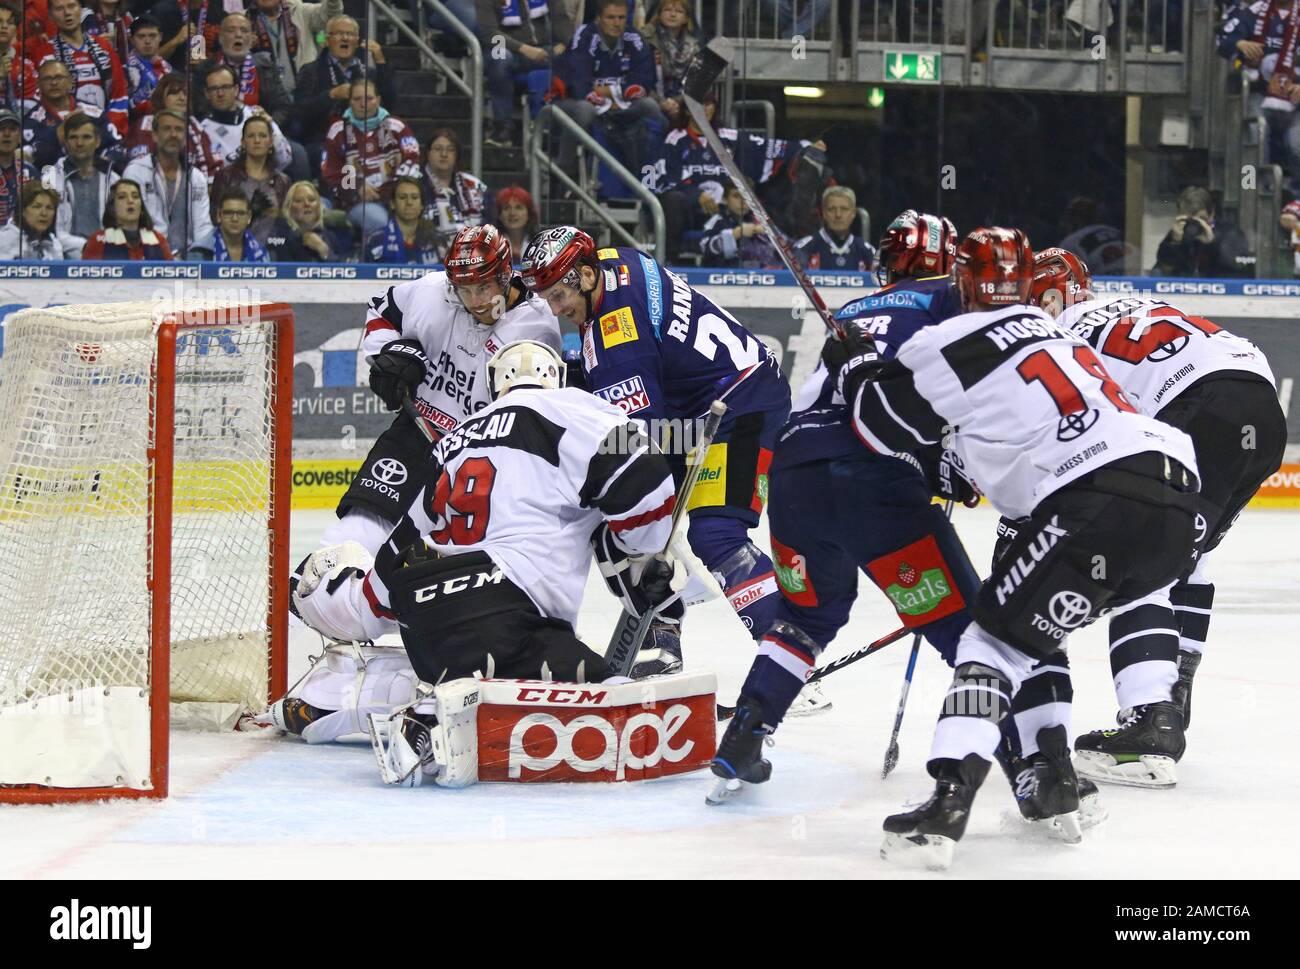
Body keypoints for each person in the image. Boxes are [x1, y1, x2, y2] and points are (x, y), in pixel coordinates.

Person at [812, 227, 1199, 869]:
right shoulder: (1061, 338)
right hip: (1174, 500)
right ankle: (1053, 778)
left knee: (988, 641)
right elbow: (1008, 434)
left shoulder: (948, 339)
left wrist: (851, 361)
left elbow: (879, 423)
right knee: (1031, 632)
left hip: (1096, 495)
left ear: (962, 283)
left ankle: (946, 803)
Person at [283, 339, 681, 789]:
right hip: (511, 613)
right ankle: (431, 721)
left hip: (425, 612)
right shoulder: (578, 409)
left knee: (458, 665)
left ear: (494, 384)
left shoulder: (452, 441)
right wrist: (641, 551)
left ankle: (360, 696)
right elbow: (647, 486)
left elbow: (390, 567)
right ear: (557, 376)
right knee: (616, 705)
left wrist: (335, 598)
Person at [1024, 247, 1286, 787]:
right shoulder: (1133, 303)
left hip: (1200, 408)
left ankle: (1151, 720)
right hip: (1260, 409)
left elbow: (1079, 435)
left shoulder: (1059, 337)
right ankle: (1172, 697)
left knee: (1138, 558)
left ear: (1051, 297)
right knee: (1187, 554)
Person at [520, 227, 812, 695]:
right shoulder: (618, 261)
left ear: (587, 276)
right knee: (621, 512)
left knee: (710, 532)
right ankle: (664, 637)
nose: (555, 310)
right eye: (547, 297)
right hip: (709, 404)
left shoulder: (615, 339)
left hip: (738, 408)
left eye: (559, 295)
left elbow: (644, 444)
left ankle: (790, 657)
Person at [643, 92, 822, 261]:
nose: (705, 109)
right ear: (688, 110)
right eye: (699, 105)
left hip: (729, 212)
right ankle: (668, 261)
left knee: (772, 191)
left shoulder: (730, 138)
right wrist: (696, 196)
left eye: (709, 104)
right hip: (694, 212)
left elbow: (766, 147)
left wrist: (805, 146)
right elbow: (662, 180)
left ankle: (787, 253)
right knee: (673, 200)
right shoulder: (674, 140)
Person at [554, 0, 665, 186]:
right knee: (584, 109)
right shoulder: (585, 35)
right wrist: (609, 95)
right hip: (573, 102)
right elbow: (579, 83)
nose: (617, 22)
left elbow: (643, 81)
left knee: (650, 107)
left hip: (620, 105)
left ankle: (654, 178)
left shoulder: (634, 38)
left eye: (621, 18)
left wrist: (610, 93)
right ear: (599, 18)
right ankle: (566, 177)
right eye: (611, 17)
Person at [319, 77, 420, 238]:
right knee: (379, 221)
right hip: (357, 203)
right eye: (357, 99)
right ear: (350, 102)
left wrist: (390, 191)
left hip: (397, 199)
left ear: (378, 100)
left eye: (369, 98)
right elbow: (331, 174)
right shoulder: (338, 131)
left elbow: (413, 161)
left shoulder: (397, 127)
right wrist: (357, 187)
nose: (363, 104)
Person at [291, 14, 395, 159]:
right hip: (323, 139)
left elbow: (389, 106)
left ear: (358, 41)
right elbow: (299, 112)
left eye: (350, 34)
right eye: (339, 33)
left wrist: (380, 61)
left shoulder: (368, 73)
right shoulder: (311, 71)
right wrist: (330, 95)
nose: (345, 38)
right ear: (327, 40)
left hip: (365, 138)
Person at [476, 0, 573, 147]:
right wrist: (523, 48)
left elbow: (560, 18)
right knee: (500, 58)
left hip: (543, 50)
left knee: (572, 58)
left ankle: (554, 128)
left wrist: (566, 43)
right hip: (505, 50)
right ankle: (503, 127)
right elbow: (490, 34)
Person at [122, 106, 213, 258]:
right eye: (167, 129)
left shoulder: (196, 177)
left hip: (187, 260)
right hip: (147, 257)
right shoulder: (136, 172)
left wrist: (198, 258)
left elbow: (202, 226)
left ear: (185, 138)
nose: (173, 135)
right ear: (155, 136)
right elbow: (132, 223)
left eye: (178, 130)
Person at [29, 0, 129, 136]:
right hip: (65, 135)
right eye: (59, 9)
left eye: (71, 6)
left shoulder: (104, 47)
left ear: (81, 10)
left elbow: (119, 94)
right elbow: (42, 101)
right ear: (51, 15)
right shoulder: (44, 53)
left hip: (105, 132)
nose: (67, 13)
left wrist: (110, 130)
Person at [21, 56, 121, 169]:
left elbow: (116, 147)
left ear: (70, 82)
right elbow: (30, 161)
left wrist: (101, 164)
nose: (54, 83)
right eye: (47, 79)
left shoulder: (94, 113)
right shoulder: (30, 122)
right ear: (38, 84)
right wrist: (57, 137)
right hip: (51, 179)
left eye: (59, 77)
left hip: (93, 175)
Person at [44, 110, 119, 258]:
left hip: (106, 257)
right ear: (65, 141)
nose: (79, 143)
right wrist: (86, 246)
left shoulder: (114, 180)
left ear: (97, 141)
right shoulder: (49, 177)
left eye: (86, 137)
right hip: (64, 259)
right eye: (73, 137)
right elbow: (49, 230)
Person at [124, 72, 223, 178]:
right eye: (175, 93)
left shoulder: (195, 127)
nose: (182, 98)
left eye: (185, 93)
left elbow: (213, 166)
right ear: (161, 96)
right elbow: (140, 169)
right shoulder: (146, 125)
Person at [207, 113, 287, 243]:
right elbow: (215, 217)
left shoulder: (282, 181)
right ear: (243, 143)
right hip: (234, 245)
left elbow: (288, 222)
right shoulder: (225, 176)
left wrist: (275, 214)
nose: (257, 141)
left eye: (262, 136)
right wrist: (248, 212)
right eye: (251, 136)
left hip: (275, 247)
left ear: (271, 142)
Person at [198, 63, 292, 171]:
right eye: (214, 89)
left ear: (236, 90)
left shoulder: (255, 114)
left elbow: (285, 158)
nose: (220, 94)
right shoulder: (202, 132)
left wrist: (272, 129)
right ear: (207, 93)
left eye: (226, 87)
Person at [245, 0, 343, 99]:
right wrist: (245, 49)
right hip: (266, 101)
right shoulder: (242, 20)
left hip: (306, 96)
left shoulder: (301, 12)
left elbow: (330, 15)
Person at [417, 127, 487, 259]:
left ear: (457, 155)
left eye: (450, 150)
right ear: (427, 153)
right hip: (426, 257)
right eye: (438, 149)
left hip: (471, 260)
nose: (444, 154)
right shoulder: (415, 185)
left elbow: (489, 225)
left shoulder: (474, 186)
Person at [638, 0, 704, 122]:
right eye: (667, 10)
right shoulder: (645, 40)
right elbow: (640, 79)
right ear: (659, 14)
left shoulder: (694, 47)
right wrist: (661, 102)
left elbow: (696, 84)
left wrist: (677, 102)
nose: (672, 15)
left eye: (679, 11)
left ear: (686, 18)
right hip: (650, 99)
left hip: (681, 103)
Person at [81, 176, 175, 258]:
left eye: (135, 196)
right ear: (112, 207)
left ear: (141, 206)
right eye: (122, 197)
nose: (130, 201)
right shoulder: (97, 242)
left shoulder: (158, 240)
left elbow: (171, 275)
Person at [697, 182, 783, 269]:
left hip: (757, 273)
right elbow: (705, 248)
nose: (742, 202)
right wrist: (734, 234)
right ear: (725, 199)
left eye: (746, 197)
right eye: (736, 196)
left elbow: (784, 246)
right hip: (721, 273)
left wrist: (769, 235)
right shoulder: (717, 220)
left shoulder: (761, 219)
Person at [795, 186, 876, 272]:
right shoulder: (804, 249)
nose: (838, 215)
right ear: (824, 213)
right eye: (832, 209)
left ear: (853, 213)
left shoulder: (867, 251)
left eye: (844, 209)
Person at [364, 174, 440, 264]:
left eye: (414, 197)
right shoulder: (375, 241)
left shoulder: (437, 240)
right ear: (392, 203)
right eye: (402, 197)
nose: (409, 202)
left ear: (422, 205)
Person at [265, 178, 345, 261]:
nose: (307, 204)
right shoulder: (277, 234)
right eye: (299, 201)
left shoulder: (330, 236)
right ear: (288, 208)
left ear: (318, 207)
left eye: (312, 200)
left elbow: (345, 271)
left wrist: (323, 249)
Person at [193, 187, 269, 261]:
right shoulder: (199, 251)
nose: (234, 219)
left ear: (249, 217)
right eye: (228, 213)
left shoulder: (260, 252)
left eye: (240, 213)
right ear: (219, 216)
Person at [0, 181, 67, 259]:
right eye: (37, 207)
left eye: (49, 208)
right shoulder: (3, 241)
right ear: (22, 211)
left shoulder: (55, 245)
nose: (44, 213)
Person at [123, 15, 172, 119]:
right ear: (131, 40)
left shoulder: (168, 68)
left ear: (160, 37)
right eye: (141, 36)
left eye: (152, 36)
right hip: (137, 124)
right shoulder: (125, 70)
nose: (147, 41)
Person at [0, 107, 35, 226]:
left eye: (13, 129)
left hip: (23, 237)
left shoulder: (31, 172)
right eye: (1, 129)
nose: (7, 134)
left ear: (20, 137)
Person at [491, 184, 538, 258]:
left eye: (518, 208)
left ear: (529, 213)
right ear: (499, 215)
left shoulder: (540, 244)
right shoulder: (490, 247)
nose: (512, 213)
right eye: (506, 208)